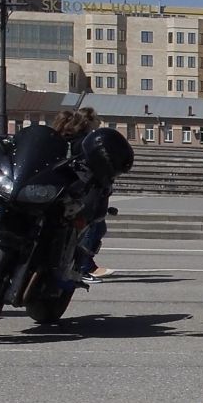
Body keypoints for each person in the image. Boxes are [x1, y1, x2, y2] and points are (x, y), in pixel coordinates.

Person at [53, 107, 115, 279]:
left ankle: (82, 264)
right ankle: (83, 266)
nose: (99, 121)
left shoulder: (66, 139)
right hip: (80, 190)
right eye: (96, 118)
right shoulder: (82, 141)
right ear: (87, 121)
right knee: (92, 226)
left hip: (72, 188)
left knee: (94, 226)